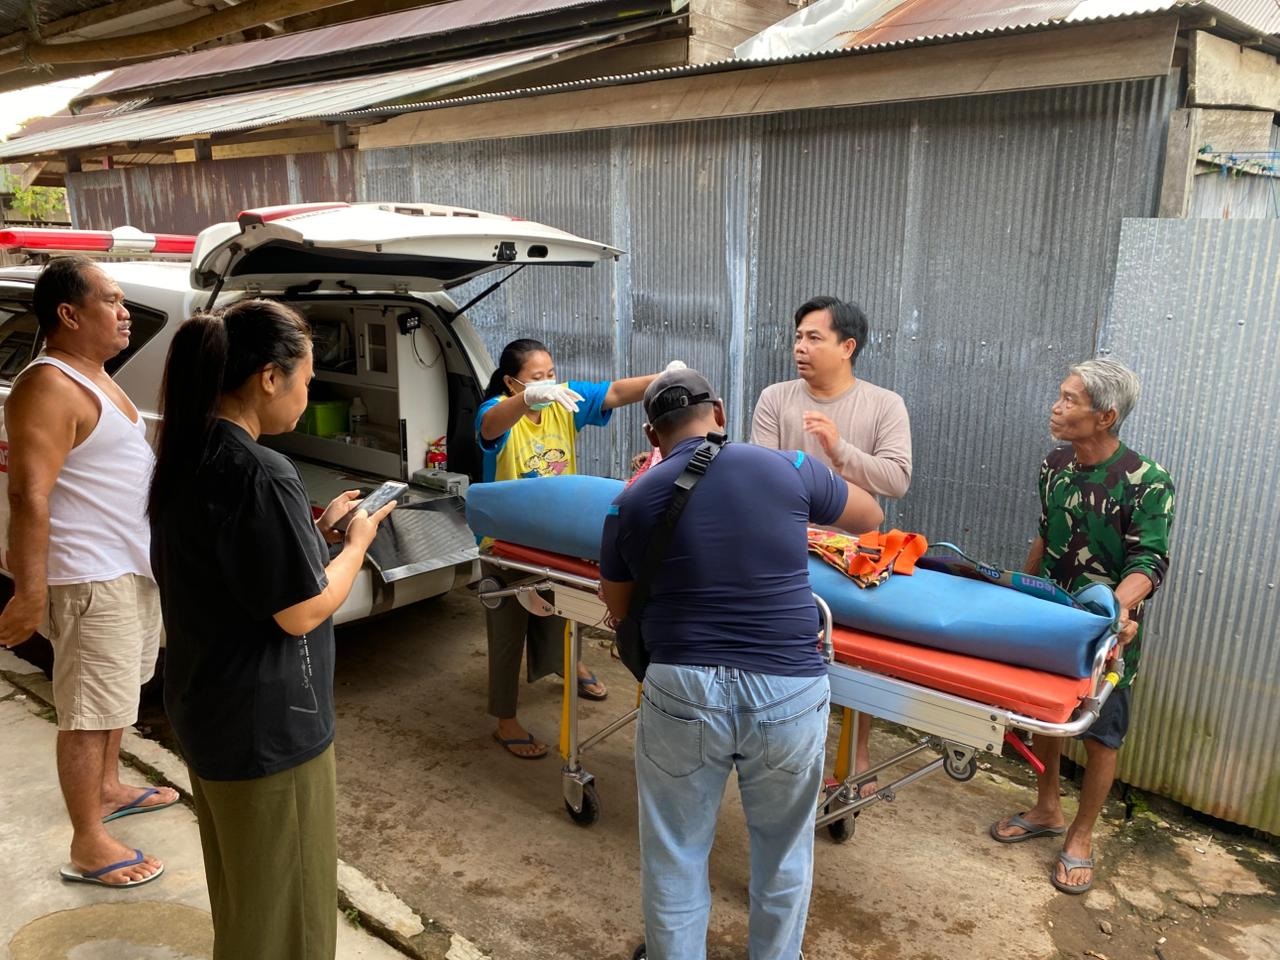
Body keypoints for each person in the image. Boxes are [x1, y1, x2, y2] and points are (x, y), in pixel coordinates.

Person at [600, 368, 883, 960]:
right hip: (787, 688)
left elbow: (621, 608)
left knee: (676, 852)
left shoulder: (630, 501)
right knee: (783, 852)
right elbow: (868, 517)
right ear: (721, 413)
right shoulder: (786, 468)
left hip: (682, 686)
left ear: (653, 437)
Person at [148, 300, 395, 959]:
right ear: (268, 377)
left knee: (248, 903)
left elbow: (239, 573)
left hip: (209, 709)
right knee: (292, 924)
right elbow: (303, 609)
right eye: (308, 380)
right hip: (268, 728)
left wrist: (311, 533)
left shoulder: (190, 450)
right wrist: (356, 545)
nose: (309, 393)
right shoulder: (262, 472)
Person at [0, 256, 177, 889]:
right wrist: (28, 589)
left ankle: (107, 789)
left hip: (126, 568)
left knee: (115, 697)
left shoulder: (96, 376)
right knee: (87, 710)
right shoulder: (48, 384)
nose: (125, 311)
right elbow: (29, 494)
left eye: (125, 299)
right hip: (89, 576)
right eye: (111, 300)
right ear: (69, 314)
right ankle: (88, 842)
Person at [990, 357, 1174, 895]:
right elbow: (1046, 536)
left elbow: (1151, 563)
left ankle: (1082, 835)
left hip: (1110, 630)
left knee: (1101, 733)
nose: (1056, 405)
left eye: (1071, 399)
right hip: (1053, 618)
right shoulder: (1055, 465)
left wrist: (1112, 616)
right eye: (1060, 394)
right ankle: (1047, 807)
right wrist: (1017, 595)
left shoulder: (1147, 481)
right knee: (1051, 715)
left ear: (1106, 415)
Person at [751, 295, 912, 798]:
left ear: (848, 346)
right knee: (783, 653)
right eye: (798, 336)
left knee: (855, 658)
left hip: (856, 558)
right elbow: (758, 473)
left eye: (813, 337)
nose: (800, 346)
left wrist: (839, 451)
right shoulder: (776, 398)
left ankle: (856, 759)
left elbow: (897, 479)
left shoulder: (884, 404)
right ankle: (783, 751)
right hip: (785, 548)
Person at [475, 337, 667, 759]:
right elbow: (491, 427)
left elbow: (615, 392)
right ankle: (505, 719)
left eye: (551, 375)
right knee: (508, 630)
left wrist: (665, 378)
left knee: (562, 609)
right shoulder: (497, 410)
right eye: (536, 378)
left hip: (554, 533)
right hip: (507, 539)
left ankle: (566, 663)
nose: (549, 383)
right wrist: (529, 400)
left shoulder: (563, 403)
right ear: (511, 382)